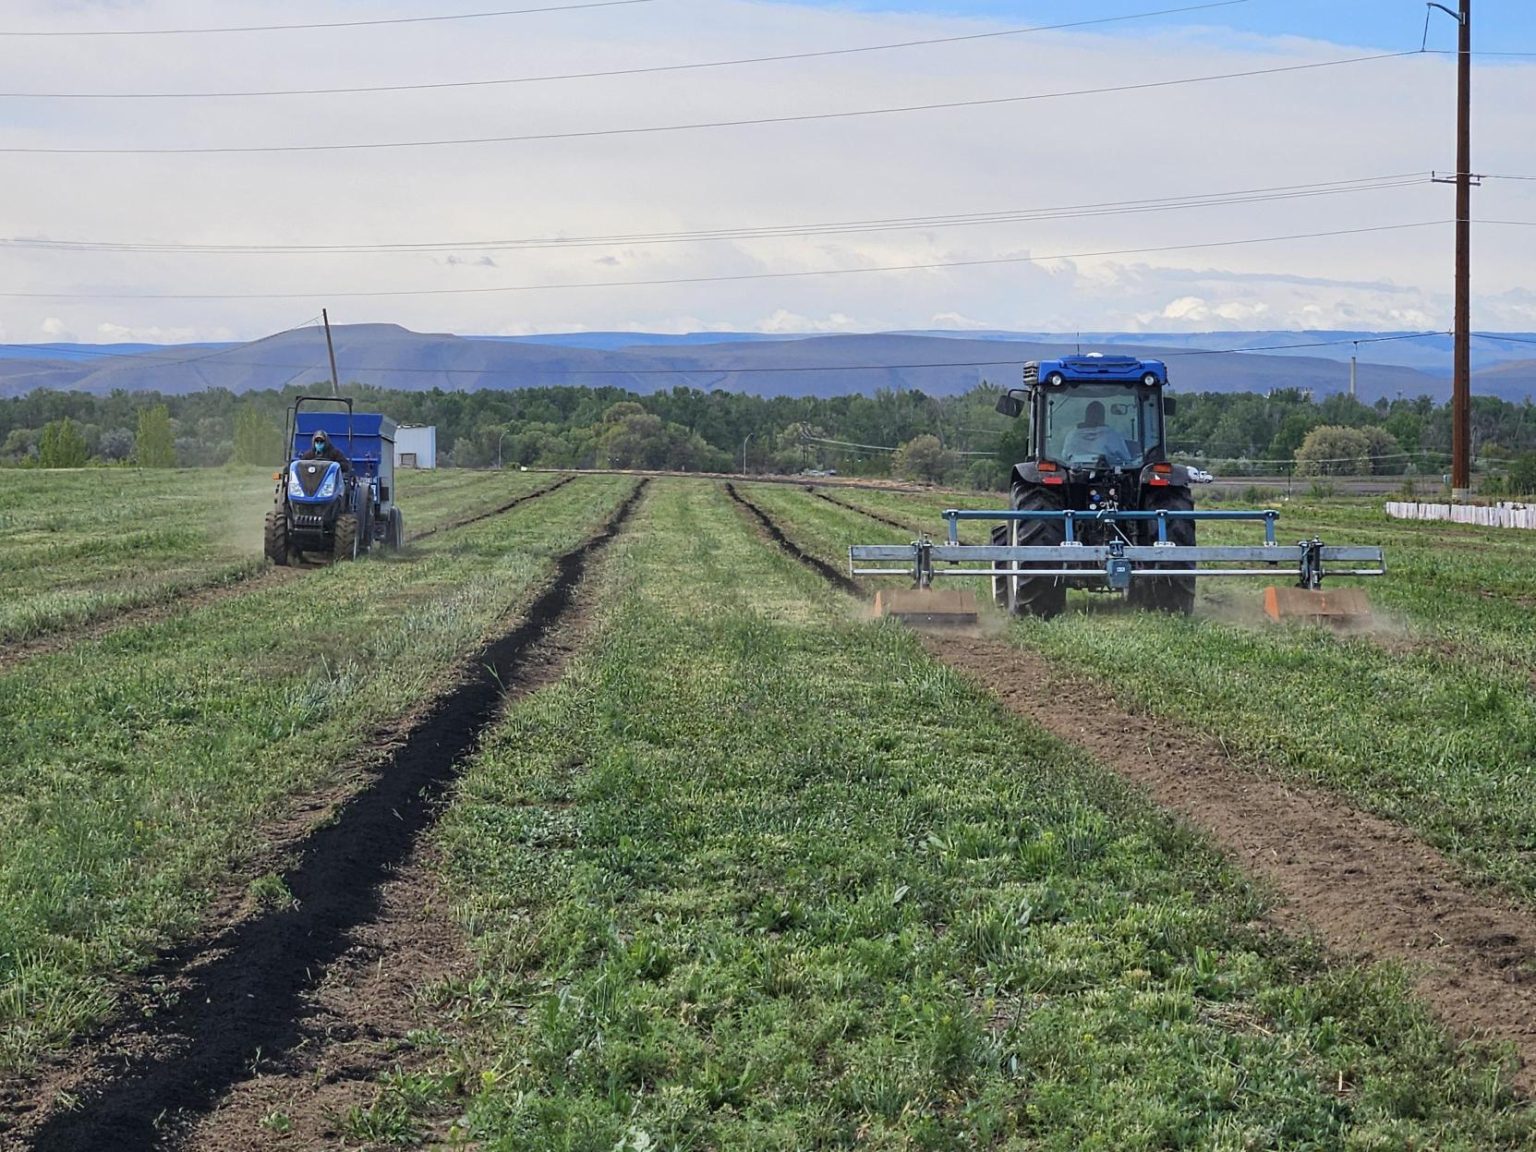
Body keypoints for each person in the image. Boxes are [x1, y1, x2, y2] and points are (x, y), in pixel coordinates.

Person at [1061, 400, 1133, 465]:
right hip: (1078, 475)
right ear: (1103, 417)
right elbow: (1126, 459)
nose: (1094, 417)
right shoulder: (1112, 436)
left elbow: (1065, 457)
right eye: (1093, 415)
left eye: (1096, 415)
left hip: (1107, 475)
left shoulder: (1072, 436)